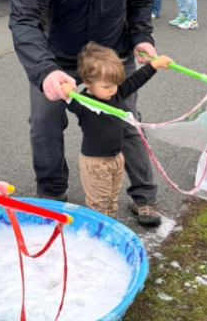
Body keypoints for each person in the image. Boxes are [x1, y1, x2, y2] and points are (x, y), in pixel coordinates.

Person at [9, 0, 163, 226]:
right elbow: (24, 20)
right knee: (45, 124)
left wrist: (141, 35)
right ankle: (51, 194)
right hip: (57, 59)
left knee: (125, 121)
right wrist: (44, 70)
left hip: (113, 56)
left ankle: (144, 197)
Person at [60, 43, 172, 218]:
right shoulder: (83, 102)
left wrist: (154, 65)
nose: (112, 89)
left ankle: (108, 225)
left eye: (115, 84)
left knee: (112, 200)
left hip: (117, 158)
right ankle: (96, 231)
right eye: (106, 86)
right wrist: (67, 91)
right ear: (88, 82)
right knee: (99, 203)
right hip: (96, 163)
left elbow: (135, 80)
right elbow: (67, 100)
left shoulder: (116, 94)